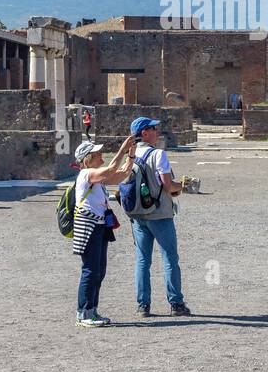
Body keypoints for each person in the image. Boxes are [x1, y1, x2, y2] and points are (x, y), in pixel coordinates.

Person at [124, 117, 192, 317]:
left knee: (142, 260)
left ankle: (143, 306)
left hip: (137, 214)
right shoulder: (158, 154)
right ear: (144, 133)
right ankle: (176, 303)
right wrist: (184, 186)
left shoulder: (130, 155)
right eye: (154, 128)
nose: (157, 131)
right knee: (170, 258)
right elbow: (168, 186)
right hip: (160, 214)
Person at [71, 136, 137, 327]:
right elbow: (110, 169)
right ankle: (83, 313)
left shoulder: (97, 177)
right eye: (97, 153)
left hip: (100, 225)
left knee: (99, 270)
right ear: (87, 158)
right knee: (90, 270)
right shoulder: (86, 174)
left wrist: (131, 154)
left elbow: (122, 173)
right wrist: (122, 149)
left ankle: (92, 310)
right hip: (88, 225)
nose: (101, 154)